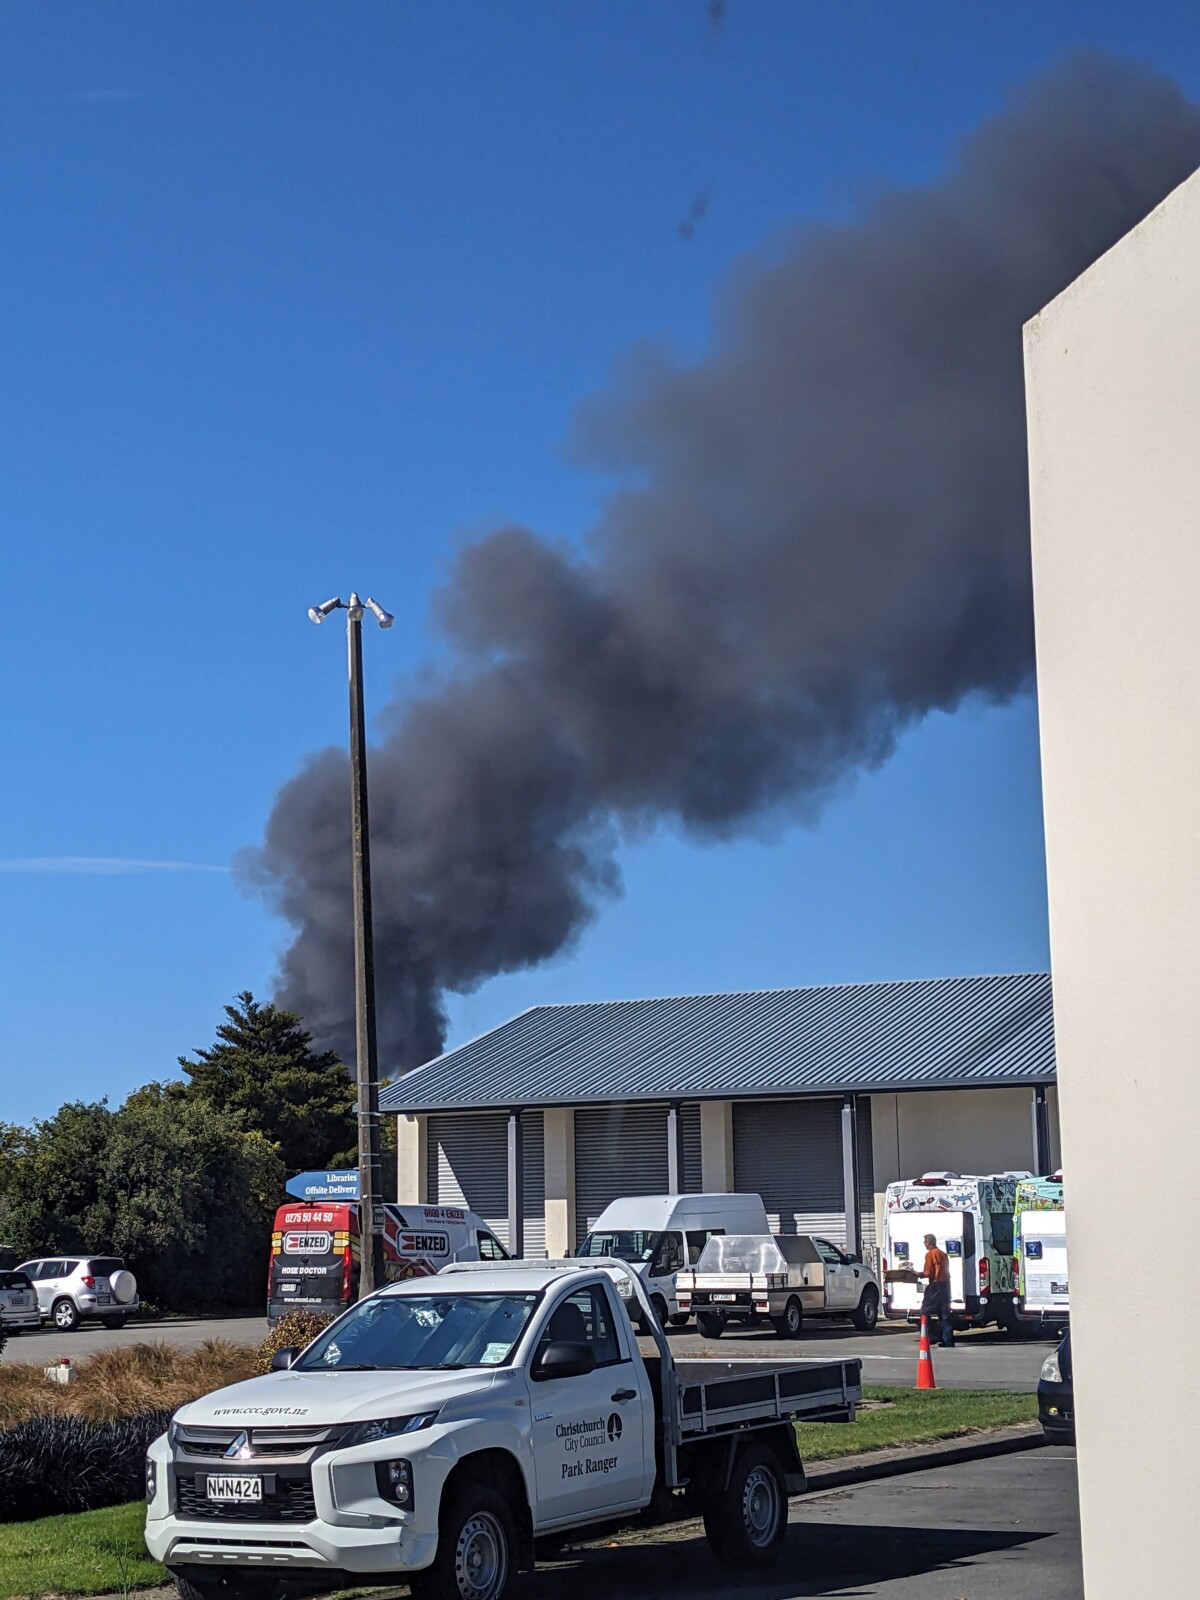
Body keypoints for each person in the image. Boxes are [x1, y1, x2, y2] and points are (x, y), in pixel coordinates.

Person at [919, 1233, 955, 1348]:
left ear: (929, 1243)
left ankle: (930, 1336)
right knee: (944, 1313)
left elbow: (929, 1273)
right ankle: (948, 1340)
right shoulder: (943, 1254)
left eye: (925, 1242)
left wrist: (917, 1274)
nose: (925, 1244)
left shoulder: (930, 1254)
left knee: (925, 1311)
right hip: (945, 1285)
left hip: (935, 1285)